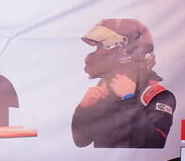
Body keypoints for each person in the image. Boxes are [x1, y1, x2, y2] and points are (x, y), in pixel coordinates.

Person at [71, 18, 176, 148]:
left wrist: (129, 99)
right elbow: (81, 141)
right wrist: (83, 109)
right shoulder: (105, 90)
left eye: (105, 47)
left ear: (128, 52)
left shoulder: (156, 95)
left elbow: (156, 144)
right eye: (98, 47)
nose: (95, 54)